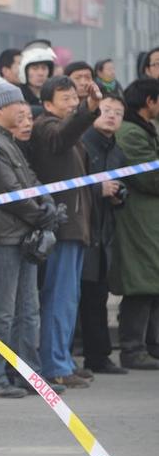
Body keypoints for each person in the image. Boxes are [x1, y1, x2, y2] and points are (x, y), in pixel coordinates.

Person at [0, 90, 63, 398]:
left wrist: (47, 203)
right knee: (1, 311)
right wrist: (41, 214)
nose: (25, 113)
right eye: (20, 108)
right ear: (0, 109)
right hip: (1, 237)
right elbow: (6, 188)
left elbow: (31, 181)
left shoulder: (10, 143)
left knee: (28, 310)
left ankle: (27, 373)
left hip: (22, 236)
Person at [30, 75, 102, 389]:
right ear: (47, 104)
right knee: (59, 298)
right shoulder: (46, 127)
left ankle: (64, 360)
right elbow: (64, 135)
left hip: (77, 226)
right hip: (62, 227)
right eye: (65, 99)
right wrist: (89, 109)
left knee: (69, 297)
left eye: (75, 97)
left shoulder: (67, 130)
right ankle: (55, 365)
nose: (72, 103)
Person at [111, 78, 159, 369]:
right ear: (150, 101)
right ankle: (132, 348)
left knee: (151, 282)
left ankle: (150, 345)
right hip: (136, 220)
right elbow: (149, 176)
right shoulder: (130, 133)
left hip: (148, 220)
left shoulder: (142, 128)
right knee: (140, 283)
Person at [79, 94, 127, 375]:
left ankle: (98, 357)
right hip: (81, 230)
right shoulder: (83, 144)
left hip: (103, 231)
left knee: (97, 296)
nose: (111, 116)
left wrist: (119, 196)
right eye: (107, 110)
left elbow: (123, 185)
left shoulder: (117, 150)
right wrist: (99, 190)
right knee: (79, 297)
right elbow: (69, 187)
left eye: (118, 113)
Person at [19, 40, 56, 114]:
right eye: (35, 68)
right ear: (25, 71)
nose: (40, 73)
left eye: (44, 68)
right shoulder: (18, 96)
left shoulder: (54, 94)